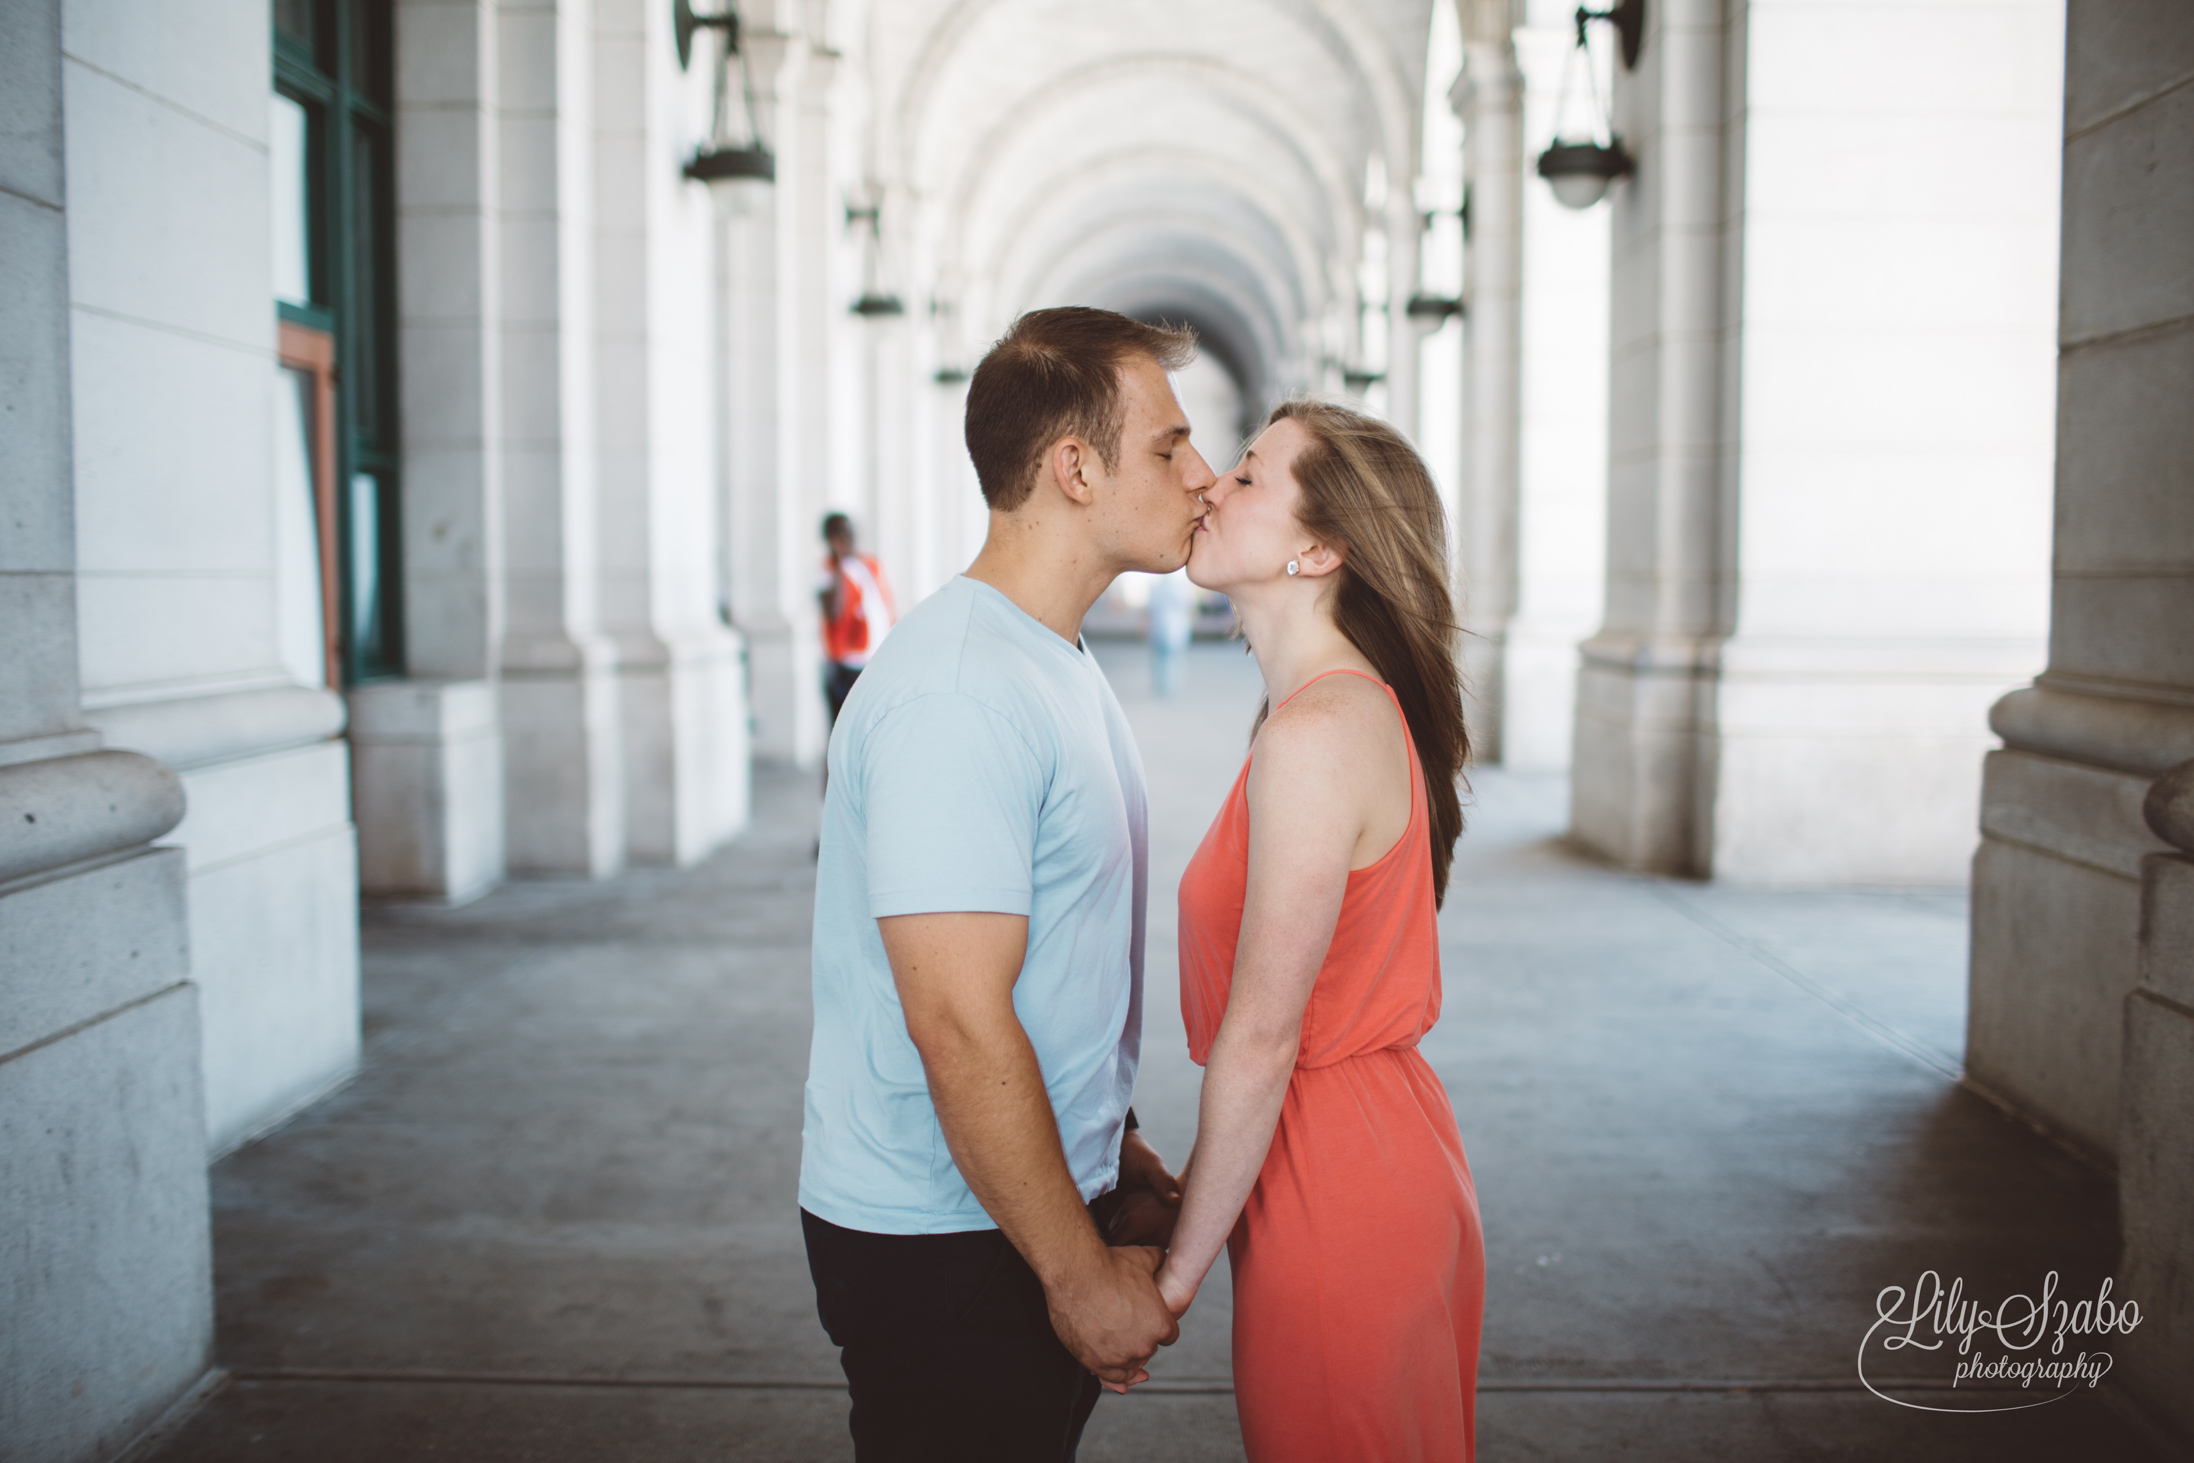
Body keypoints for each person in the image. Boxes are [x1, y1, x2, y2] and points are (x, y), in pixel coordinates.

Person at [799, 306, 1218, 1461]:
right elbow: (956, 1014)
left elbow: (1057, 954)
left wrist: (1108, 1145)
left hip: (1011, 1202)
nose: (1203, 473)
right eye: (1168, 446)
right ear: (1073, 466)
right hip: (944, 1238)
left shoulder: (1049, 657)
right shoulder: (962, 693)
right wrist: (1077, 1269)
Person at [1156, 399, 1485, 1461]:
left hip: (1338, 1184)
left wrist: (1168, 1281)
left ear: (1319, 547)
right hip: (1363, 1152)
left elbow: (1261, 1037)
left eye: (1247, 475)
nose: (1211, 483)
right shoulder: (1329, 713)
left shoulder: (1315, 734)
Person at [818, 512, 895, 725]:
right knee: (844, 731)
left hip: (875, 661)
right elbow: (833, 611)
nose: (847, 538)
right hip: (847, 667)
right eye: (839, 534)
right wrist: (839, 563)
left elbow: (883, 607)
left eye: (849, 532)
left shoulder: (869, 565)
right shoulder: (828, 572)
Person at [1146, 568, 1193, 697]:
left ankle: (1163, 687)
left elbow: (1150, 609)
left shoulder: (1157, 587)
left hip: (1163, 627)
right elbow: (1188, 606)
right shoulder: (1179, 588)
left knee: (1161, 659)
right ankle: (1169, 687)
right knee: (1173, 659)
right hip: (1173, 628)